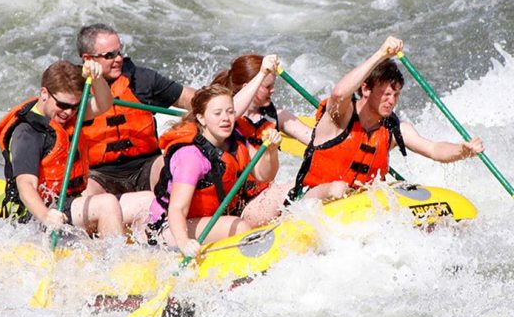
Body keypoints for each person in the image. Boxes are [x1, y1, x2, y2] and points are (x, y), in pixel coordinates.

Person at [289, 36, 484, 202]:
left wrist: (462, 151)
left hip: (360, 204)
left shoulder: (393, 129)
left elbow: (434, 149)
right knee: (338, 188)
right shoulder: (340, 117)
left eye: (396, 95)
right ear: (366, 89)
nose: (392, 101)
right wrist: (381, 54)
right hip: (313, 201)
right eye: (386, 94)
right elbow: (339, 94)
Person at [147, 84, 282, 258]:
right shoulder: (191, 156)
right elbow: (177, 209)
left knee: (283, 194)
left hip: (218, 216)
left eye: (230, 112)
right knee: (239, 226)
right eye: (217, 113)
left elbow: (265, 175)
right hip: (171, 228)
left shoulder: (235, 140)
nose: (226, 118)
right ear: (201, 118)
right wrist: (184, 242)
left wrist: (271, 151)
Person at [0, 60, 125, 237]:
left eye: (74, 106)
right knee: (107, 204)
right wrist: (46, 216)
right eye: (63, 105)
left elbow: (104, 104)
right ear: (44, 93)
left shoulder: (64, 115)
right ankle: (113, 260)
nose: (69, 113)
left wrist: (97, 78)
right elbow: (26, 185)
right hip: (33, 217)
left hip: (67, 202)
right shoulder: (28, 133)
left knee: (143, 201)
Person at [77, 23, 196, 197]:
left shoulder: (142, 79)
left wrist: (215, 108)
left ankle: (171, 216)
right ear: (88, 58)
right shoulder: (74, 89)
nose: (118, 59)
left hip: (146, 166)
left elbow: (188, 98)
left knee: (172, 164)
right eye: (110, 55)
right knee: (84, 193)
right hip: (98, 175)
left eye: (119, 51)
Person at [212, 53, 314, 226]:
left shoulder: (276, 116)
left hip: (261, 197)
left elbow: (314, 139)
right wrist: (260, 75)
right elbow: (231, 112)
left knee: (311, 184)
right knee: (297, 188)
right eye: (267, 87)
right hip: (235, 209)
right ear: (250, 86)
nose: (272, 91)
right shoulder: (222, 121)